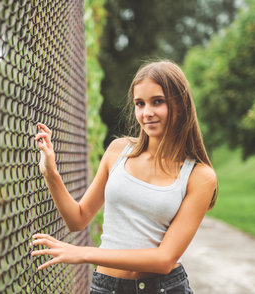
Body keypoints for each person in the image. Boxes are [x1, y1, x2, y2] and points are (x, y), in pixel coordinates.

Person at [31, 60, 217, 294]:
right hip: (107, 287)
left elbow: (165, 259)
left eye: (157, 102)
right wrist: (50, 172)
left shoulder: (199, 176)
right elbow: (77, 219)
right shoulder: (118, 151)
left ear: (180, 104)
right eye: (140, 104)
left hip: (164, 288)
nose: (147, 113)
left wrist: (82, 253)